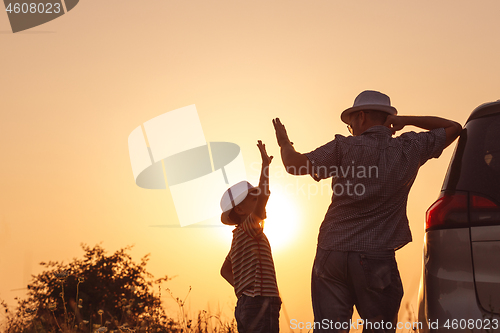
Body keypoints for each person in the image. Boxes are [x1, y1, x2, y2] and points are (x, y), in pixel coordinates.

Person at [272, 90, 462, 333]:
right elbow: (454, 127)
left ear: (361, 116)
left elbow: (293, 165)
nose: (350, 129)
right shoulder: (409, 148)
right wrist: (407, 120)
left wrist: (284, 143)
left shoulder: (343, 147)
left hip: (332, 253)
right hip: (377, 257)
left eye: (351, 123)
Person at [220, 140, 281, 333]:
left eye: (256, 199)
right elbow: (264, 195)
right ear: (240, 209)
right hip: (261, 302)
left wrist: (243, 290)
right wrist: (265, 166)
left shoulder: (238, 237)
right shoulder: (249, 228)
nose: (259, 202)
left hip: (245, 304)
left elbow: (224, 271)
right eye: (253, 199)